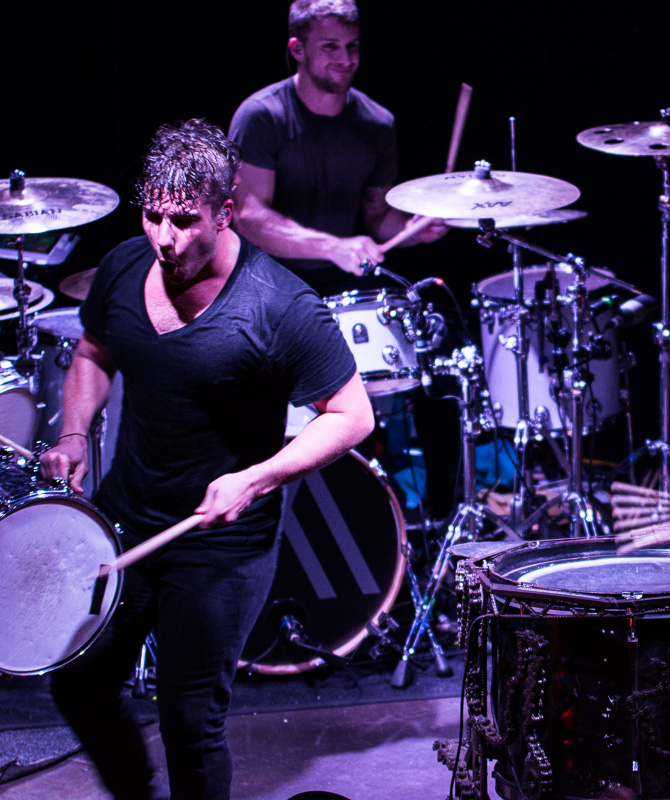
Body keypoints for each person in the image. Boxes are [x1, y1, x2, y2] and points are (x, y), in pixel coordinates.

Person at [39, 119, 375, 800]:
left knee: (189, 722)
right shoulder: (124, 266)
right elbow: (94, 351)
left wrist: (256, 478)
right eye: (153, 216)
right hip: (126, 519)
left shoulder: (279, 305)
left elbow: (353, 416)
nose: (165, 238)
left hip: (222, 542)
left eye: (185, 221)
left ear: (225, 213)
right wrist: (74, 433)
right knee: (78, 682)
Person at [228, 0, 446, 297]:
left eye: (352, 46)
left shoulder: (378, 123)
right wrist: (332, 247)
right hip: (267, 281)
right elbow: (249, 219)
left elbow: (377, 217)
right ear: (297, 49)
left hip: (342, 280)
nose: (346, 59)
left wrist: (413, 229)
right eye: (330, 46)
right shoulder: (261, 116)